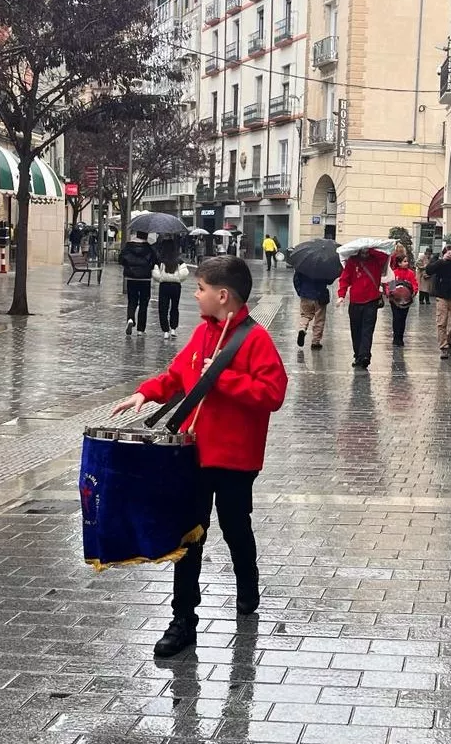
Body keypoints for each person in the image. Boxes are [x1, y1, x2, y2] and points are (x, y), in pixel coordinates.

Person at [113, 256, 288, 659]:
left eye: (201, 289)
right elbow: (177, 375)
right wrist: (145, 392)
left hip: (235, 459)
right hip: (193, 452)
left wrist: (223, 377)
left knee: (234, 526)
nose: (195, 295)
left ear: (223, 295)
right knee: (189, 535)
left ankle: (247, 580)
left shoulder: (255, 339)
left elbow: (272, 394)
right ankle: (183, 620)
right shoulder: (202, 333)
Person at [337, 248, 388, 369]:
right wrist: (341, 295)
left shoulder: (376, 260)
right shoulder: (352, 261)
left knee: (367, 330)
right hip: (355, 301)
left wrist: (370, 248)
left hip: (371, 300)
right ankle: (358, 356)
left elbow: (385, 257)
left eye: (366, 251)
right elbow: (345, 278)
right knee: (356, 330)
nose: (365, 253)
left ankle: (365, 355)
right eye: (363, 250)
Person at [119, 231, 158, 335]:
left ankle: (130, 318)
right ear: (146, 235)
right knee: (144, 303)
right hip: (145, 278)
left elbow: (121, 259)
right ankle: (141, 329)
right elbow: (156, 261)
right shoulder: (149, 248)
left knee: (132, 300)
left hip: (131, 277)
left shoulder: (128, 246)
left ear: (137, 234)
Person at [153, 241, 189, 340]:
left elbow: (155, 273)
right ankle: (173, 328)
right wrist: (178, 278)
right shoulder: (179, 261)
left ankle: (165, 330)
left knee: (163, 308)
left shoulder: (160, 261)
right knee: (174, 307)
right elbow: (185, 273)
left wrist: (161, 278)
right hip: (176, 286)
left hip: (164, 285)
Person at [387, 254, 420, 347]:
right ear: (399, 263)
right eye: (404, 261)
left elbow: (414, 284)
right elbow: (390, 286)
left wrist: (414, 291)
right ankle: (396, 337)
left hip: (406, 300)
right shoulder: (394, 273)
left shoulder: (410, 273)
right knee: (396, 318)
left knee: (403, 319)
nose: (407, 263)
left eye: (407, 261)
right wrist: (390, 293)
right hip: (395, 300)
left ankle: (400, 337)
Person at [293, 270, 330, 349]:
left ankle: (302, 328)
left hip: (305, 294)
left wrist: (300, 291)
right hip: (320, 295)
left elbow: (296, 279)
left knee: (305, 315)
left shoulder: (303, 266)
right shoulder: (325, 266)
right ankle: (315, 341)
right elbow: (329, 281)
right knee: (319, 319)